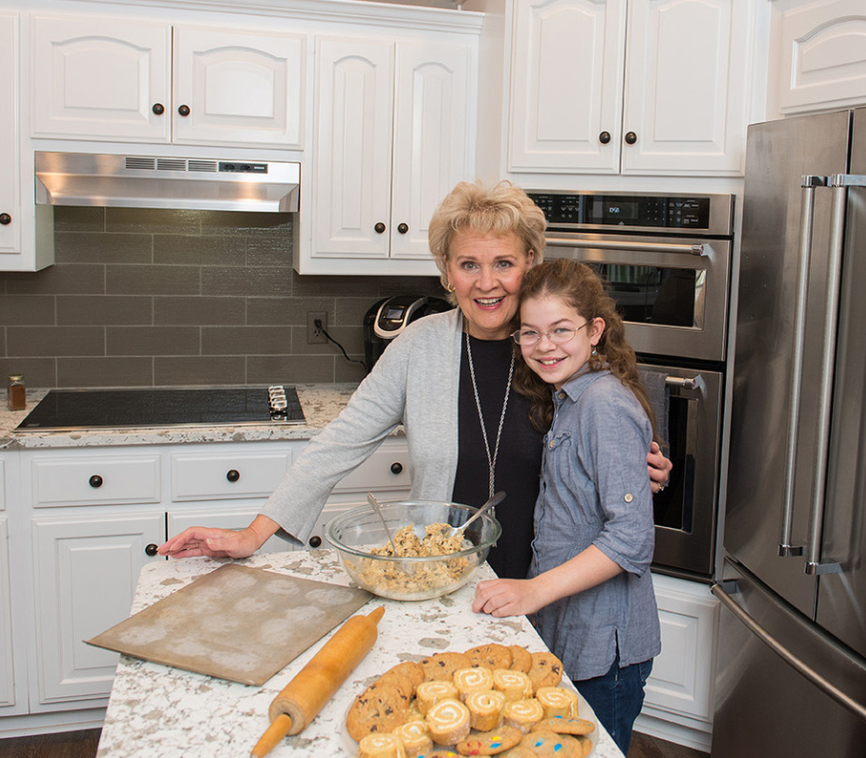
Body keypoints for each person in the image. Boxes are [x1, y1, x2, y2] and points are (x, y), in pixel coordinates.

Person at [159, 181, 672, 580]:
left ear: (530, 264)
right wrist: (253, 535)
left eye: (504, 263)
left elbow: (616, 426)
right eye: (468, 264)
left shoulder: (555, 347)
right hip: (443, 582)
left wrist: (636, 465)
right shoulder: (418, 346)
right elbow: (338, 443)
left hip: (552, 588)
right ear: (446, 271)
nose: (486, 282)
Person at [471, 259, 661, 755]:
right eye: (529, 334)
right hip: (573, 634)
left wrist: (533, 592)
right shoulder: (567, 397)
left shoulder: (602, 403)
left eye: (560, 330)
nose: (544, 345)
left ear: (595, 330)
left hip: (606, 653)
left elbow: (631, 539)